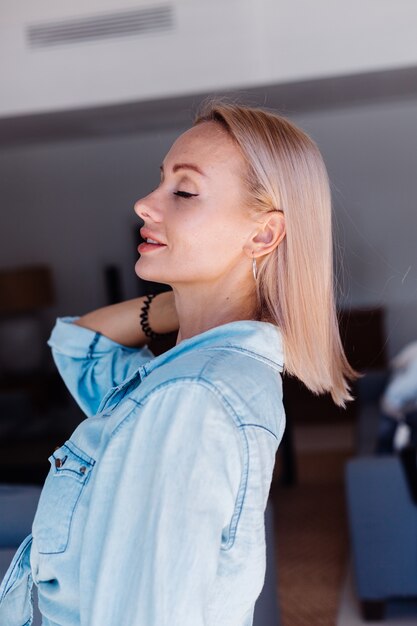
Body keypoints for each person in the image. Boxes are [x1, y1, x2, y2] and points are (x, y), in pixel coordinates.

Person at [0, 100, 357, 626]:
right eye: (160, 182)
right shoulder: (190, 376)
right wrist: (192, 300)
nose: (145, 203)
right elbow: (80, 345)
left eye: (184, 191)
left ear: (262, 235)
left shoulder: (193, 398)